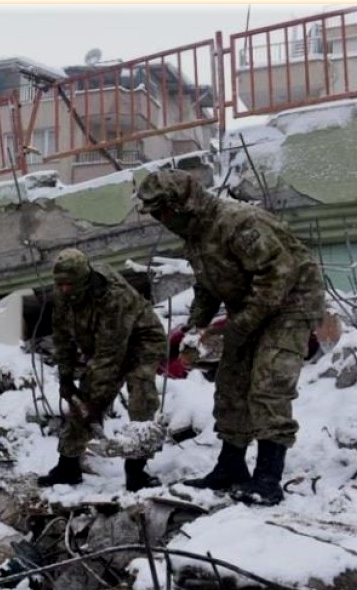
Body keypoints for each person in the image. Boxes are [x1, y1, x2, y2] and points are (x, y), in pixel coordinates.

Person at [137, 168, 324, 506]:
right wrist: (195, 327)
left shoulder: (237, 222)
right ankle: (231, 467)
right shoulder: (196, 236)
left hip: (291, 304)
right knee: (231, 383)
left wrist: (241, 325)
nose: (159, 219)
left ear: (183, 205)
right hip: (252, 306)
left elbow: (276, 275)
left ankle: (267, 479)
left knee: (269, 383)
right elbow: (207, 287)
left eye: (162, 211)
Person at [36, 249, 167, 491]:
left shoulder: (114, 297)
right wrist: (65, 377)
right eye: (60, 284)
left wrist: (96, 404)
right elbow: (62, 337)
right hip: (101, 344)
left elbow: (110, 355)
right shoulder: (65, 292)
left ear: (83, 280)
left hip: (140, 341)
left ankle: (136, 470)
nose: (64, 290)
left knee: (141, 395)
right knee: (82, 401)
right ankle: (68, 466)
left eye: (69, 285)